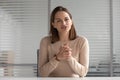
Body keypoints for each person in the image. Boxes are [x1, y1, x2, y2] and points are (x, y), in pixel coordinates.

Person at [38, 6, 89, 77]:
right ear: (53, 24)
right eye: (58, 21)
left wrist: (69, 58)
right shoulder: (45, 41)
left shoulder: (82, 41)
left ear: (71, 22)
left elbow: (83, 73)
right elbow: (42, 73)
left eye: (66, 19)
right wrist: (57, 58)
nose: (63, 23)